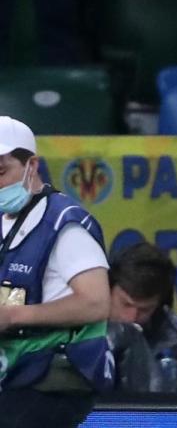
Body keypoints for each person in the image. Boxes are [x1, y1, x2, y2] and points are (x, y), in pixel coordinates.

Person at [0, 116, 112, 427]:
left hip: (55, 376)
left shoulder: (65, 224)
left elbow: (96, 302)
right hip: (15, 371)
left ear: (31, 166)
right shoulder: (5, 221)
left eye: (1, 171)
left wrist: (12, 317)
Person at [108, 242, 177, 384]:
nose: (131, 318)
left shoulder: (176, 338)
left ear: (160, 305)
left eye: (144, 309)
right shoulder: (77, 326)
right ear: (107, 291)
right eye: (126, 304)